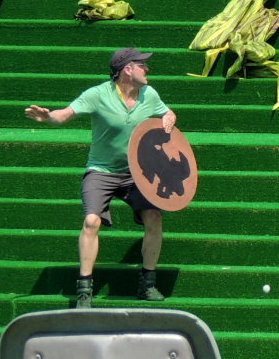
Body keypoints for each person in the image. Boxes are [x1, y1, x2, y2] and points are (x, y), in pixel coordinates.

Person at [24, 47, 177, 308]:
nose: (147, 69)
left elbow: (167, 112)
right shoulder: (97, 94)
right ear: (127, 69)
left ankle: (147, 284)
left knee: (154, 217)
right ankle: (84, 290)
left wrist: (169, 118)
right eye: (142, 65)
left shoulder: (149, 94)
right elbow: (64, 115)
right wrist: (48, 117)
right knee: (91, 221)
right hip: (101, 171)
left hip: (136, 173)